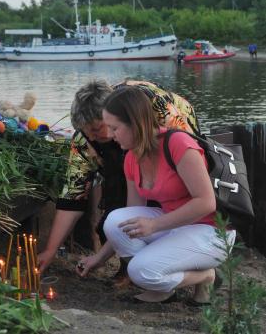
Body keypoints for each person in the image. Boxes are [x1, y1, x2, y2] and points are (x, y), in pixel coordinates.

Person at [76, 86, 236, 304]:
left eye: (115, 128)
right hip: (175, 225)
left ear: (135, 123)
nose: (111, 136)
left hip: (211, 231)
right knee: (116, 221)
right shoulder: (132, 157)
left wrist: (155, 225)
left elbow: (206, 203)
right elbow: (130, 218)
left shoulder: (179, 143)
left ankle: (205, 275)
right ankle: (161, 285)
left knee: (140, 271)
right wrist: (99, 258)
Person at [38, 80, 200, 275]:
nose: (95, 136)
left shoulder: (157, 110)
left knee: (166, 193)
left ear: (112, 117)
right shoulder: (85, 139)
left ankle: (181, 259)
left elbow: (189, 155)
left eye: (98, 128)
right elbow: (73, 196)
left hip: (170, 132)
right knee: (116, 199)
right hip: (128, 157)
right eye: (87, 132)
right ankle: (130, 268)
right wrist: (50, 250)